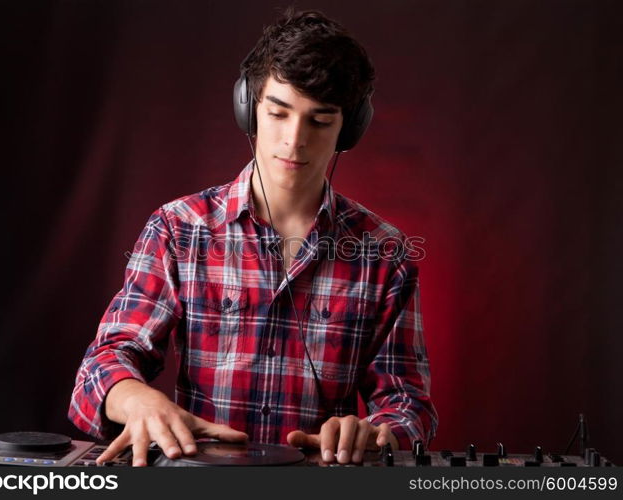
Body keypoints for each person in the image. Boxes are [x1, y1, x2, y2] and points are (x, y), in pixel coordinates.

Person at [68, 8, 438, 466]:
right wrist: (136, 399)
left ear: (351, 128)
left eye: (319, 121)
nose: (294, 139)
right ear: (248, 108)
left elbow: (409, 407)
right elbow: (98, 371)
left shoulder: (386, 255)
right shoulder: (178, 227)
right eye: (278, 113)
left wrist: (374, 432)